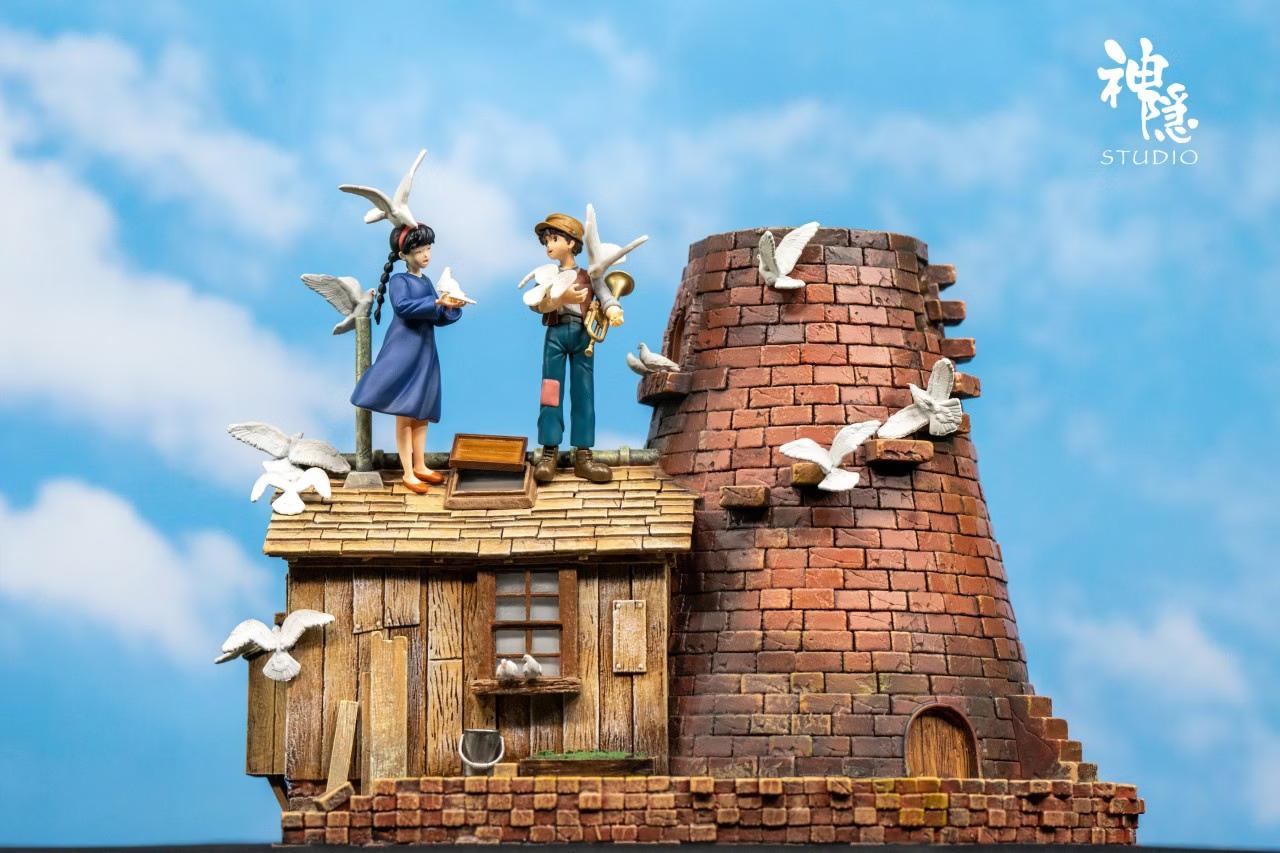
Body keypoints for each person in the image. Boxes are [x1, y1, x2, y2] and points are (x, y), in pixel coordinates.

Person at [351, 222, 465, 493]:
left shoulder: (426, 281)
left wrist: (451, 308)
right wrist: (435, 303)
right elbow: (404, 307)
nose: (426, 255)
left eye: (428, 249)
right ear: (404, 255)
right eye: (419, 250)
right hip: (403, 351)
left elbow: (436, 316)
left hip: (424, 351)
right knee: (404, 412)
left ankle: (420, 464)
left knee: (420, 412)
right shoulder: (399, 281)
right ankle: (408, 471)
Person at [526, 213, 622, 484]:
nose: (549, 245)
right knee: (550, 392)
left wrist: (613, 309)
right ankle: (549, 453)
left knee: (584, 393)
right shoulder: (547, 275)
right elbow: (536, 304)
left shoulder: (590, 274)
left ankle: (583, 455)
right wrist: (560, 298)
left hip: (583, 334)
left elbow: (604, 295)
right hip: (555, 333)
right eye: (547, 240)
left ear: (571, 243)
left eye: (554, 239)